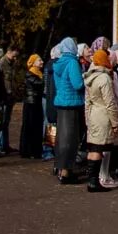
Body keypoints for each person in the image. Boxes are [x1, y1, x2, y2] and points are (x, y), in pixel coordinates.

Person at [83, 49, 118, 192]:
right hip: (103, 116)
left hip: (94, 114)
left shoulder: (89, 78)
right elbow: (110, 102)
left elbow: (87, 102)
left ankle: (92, 180)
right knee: (99, 148)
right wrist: (115, 122)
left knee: (94, 147)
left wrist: (87, 119)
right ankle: (94, 182)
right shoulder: (105, 78)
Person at [49, 36, 85, 185]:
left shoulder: (58, 63)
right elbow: (77, 84)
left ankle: (58, 167)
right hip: (72, 102)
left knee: (61, 138)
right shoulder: (72, 62)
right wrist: (85, 78)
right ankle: (66, 171)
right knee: (70, 139)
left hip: (61, 101)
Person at [19, 54, 47, 159]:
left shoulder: (39, 73)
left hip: (36, 103)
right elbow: (39, 83)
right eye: (39, 60)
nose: (42, 62)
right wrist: (45, 79)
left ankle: (35, 150)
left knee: (36, 126)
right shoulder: (30, 74)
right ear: (33, 62)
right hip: (31, 104)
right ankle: (27, 150)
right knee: (29, 126)